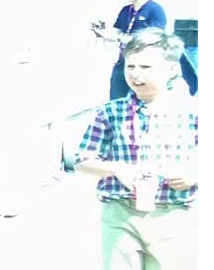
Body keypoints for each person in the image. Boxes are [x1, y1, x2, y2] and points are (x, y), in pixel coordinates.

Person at [75, 28, 198, 270]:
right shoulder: (110, 112)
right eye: (130, 66)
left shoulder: (193, 112)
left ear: (172, 69)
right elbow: (82, 160)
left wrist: (195, 172)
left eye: (145, 67)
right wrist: (115, 168)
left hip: (174, 216)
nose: (135, 74)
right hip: (121, 215)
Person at [92, 0, 167, 100]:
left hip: (145, 66)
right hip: (123, 63)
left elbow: (153, 39)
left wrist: (119, 37)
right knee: (116, 101)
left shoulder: (156, 10)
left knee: (143, 102)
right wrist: (103, 32)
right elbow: (118, 31)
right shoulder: (126, 10)